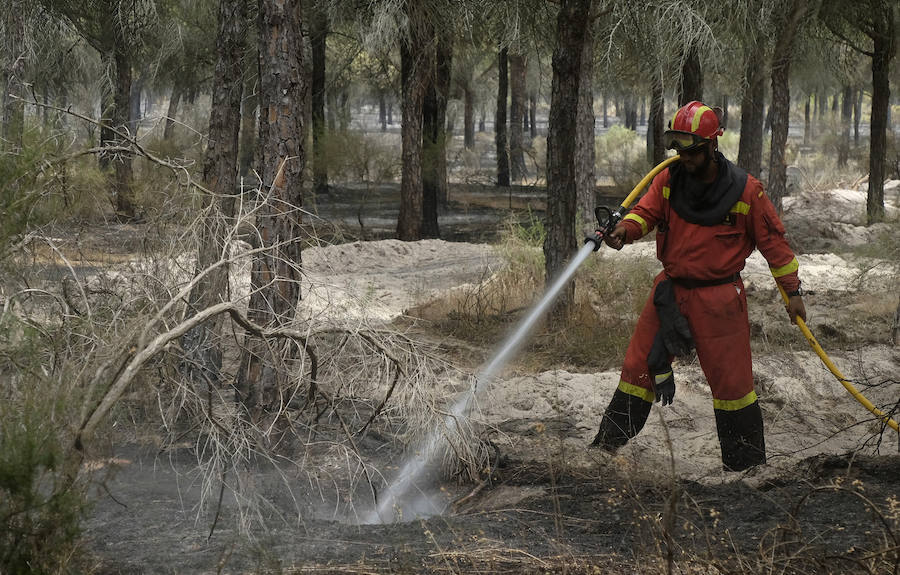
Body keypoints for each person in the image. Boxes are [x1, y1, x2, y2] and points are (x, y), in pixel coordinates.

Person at [590, 100, 806, 471]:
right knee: (637, 368)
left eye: (691, 152)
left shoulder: (746, 192)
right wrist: (624, 231)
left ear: (711, 146)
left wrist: (794, 292)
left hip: (720, 301)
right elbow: (645, 213)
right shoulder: (669, 180)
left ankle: (746, 470)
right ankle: (602, 451)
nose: (683, 159)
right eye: (678, 150)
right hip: (670, 293)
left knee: (733, 387)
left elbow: (775, 245)